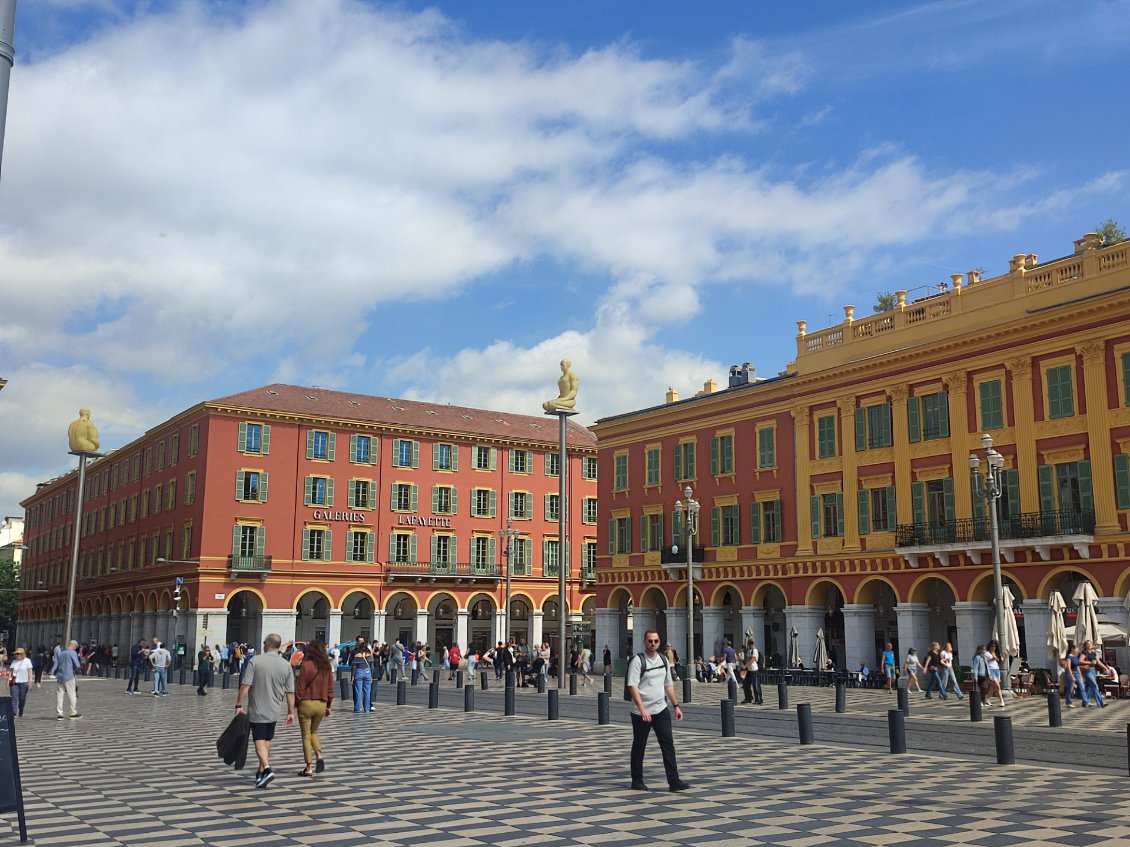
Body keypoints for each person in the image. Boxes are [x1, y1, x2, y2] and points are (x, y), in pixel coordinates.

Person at [625, 630, 689, 792]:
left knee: (668, 744)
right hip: (642, 712)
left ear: (659, 642)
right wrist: (642, 709)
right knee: (639, 745)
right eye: (650, 641)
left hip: (661, 709)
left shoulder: (663, 660)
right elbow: (632, 686)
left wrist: (676, 706)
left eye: (656, 641)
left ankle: (674, 781)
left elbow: (668, 684)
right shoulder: (638, 661)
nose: (653, 644)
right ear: (644, 642)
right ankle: (637, 780)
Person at [234, 634, 296, 789]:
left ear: (268, 644)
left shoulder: (255, 661)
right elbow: (290, 692)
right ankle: (261, 771)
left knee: (259, 740)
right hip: (274, 710)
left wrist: (238, 705)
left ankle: (267, 769)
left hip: (258, 709)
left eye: (263, 642)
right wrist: (290, 712)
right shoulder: (286, 665)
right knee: (267, 740)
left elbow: (245, 685)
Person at [294, 639, 333, 777]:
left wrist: (295, 703)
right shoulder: (327, 666)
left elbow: (300, 687)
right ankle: (319, 754)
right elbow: (330, 689)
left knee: (306, 735)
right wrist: (328, 705)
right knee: (314, 732)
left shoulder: (306, 665)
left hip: (306, 703)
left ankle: (308, 767)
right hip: (321, 704)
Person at [52, 640, 82, 719]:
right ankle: (73, 712)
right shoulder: (72, 653)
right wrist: (74, 669)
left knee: (60, 694)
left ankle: (60, 713)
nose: (75, 648)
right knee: (72, 694)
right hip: (69, 676)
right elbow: (77, 665)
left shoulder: (62, 652)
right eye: (75, 647)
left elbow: (57, 664)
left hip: (60, 676)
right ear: (73, 645)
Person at [1079, 640, 1111, 708]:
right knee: (1094, 685)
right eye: (1088, 644)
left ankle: (1085, 702)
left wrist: (1105, 667)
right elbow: (1080, 661)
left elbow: (1098, 662)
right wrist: (1090, 663)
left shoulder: (1094, 653)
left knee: (1090, 687)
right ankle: (1101, 703)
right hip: (1087, 670)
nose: (1089, 645)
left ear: (1092, 645)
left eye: (1090, 644)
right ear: (1085, 645)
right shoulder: (1084, 652)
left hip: (1093, 670)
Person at [350, 638, 374, 712]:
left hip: (359, 672)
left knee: (358, 692)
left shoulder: (357, 655)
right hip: (367, 672)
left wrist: (353, 677)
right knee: (367, 692)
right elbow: (372, 666)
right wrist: (371, 676)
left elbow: (354, 667)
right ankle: (366, 709)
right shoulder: (369, 654)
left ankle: (357, 709)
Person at [8, 647, 33, 717]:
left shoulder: (27, 661)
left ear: (22, 654)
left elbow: (30, 671)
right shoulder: (14, 661)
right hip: (14, 683)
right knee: (14, 698)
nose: (16, 655)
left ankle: (21, 709)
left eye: (18, 654)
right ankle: (14, 712)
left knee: (22, 698)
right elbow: (11, 671)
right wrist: (8, 681)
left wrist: (30, 681)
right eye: (15, 654)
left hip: (24, 682)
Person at [1062, 644, 1088, 708]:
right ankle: (1068, 702)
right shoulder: (1069, 657)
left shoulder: (1076, 657)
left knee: (1082, 687)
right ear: (1073, 649)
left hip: (1077, 673)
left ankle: (1085, 702)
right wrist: (1072, 677)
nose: (1078, 650)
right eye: (1077, 649)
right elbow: (1068, 667)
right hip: (1070, 673)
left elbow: (1078, 667)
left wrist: (1081, 676)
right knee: (1070, 688)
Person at [741, 639, 763, 705]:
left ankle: (758, 699)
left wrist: (745, 666)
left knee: (755, 685)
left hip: (754, 670)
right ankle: (748, 698)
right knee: (745, 684)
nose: (750, 645)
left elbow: (752, 660)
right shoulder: (748, 651)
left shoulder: (755, 650)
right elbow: (747, 659)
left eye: (751, 644)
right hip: (749, 670)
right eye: (749, 644)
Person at [984, 640, 1004, 707]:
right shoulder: (987, 653)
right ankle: (1001, 701)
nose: (993, 648)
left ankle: (986, 698)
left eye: (994, 646)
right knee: (998, 686)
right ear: (989, 646)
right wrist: (992, 658)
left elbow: (1001, 662)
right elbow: (985, 661)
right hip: (991, 670)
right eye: (992, 646)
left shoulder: (997, 653)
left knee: (994, 687)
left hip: (997, 670)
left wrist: (1006, 657)